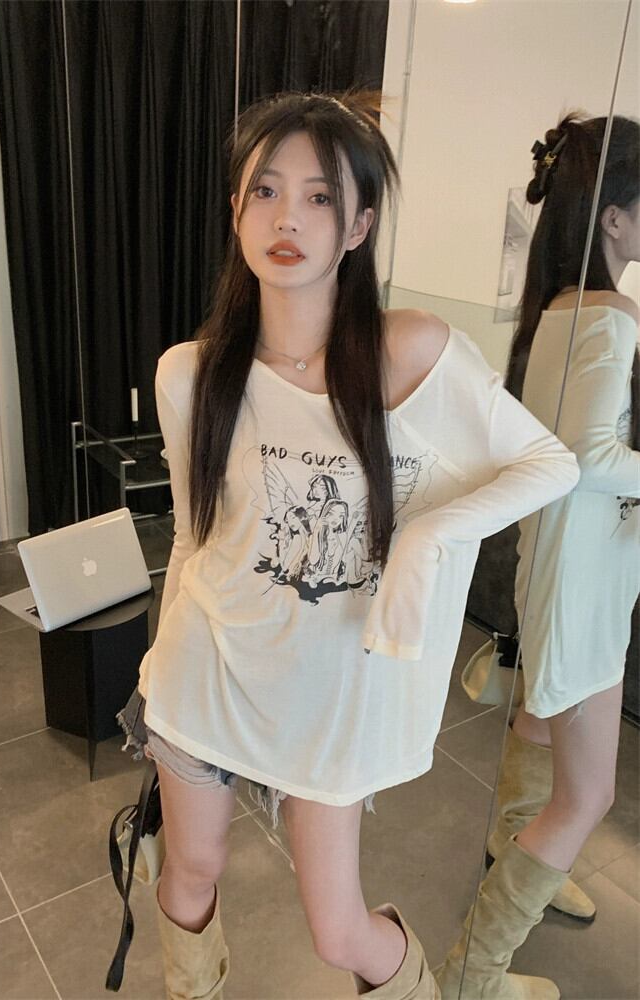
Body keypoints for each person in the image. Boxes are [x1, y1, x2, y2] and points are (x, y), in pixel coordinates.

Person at [117, 90, 579, 1000]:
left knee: (336, 928)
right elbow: (194, 540)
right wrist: (158, 664)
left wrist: (429, 537)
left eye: (320, 196)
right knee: (190, 871)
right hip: (205, 670)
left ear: (361, 224)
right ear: (237, 210)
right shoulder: (190, 375)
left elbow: (549, 462)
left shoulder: (411, 354)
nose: (287, 218)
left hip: (327, 695)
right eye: (265, 191)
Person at [438, 114, 639, 1000]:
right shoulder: (613, 314)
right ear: (614, 218)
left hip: (557, 558)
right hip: (583, 576)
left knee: (538, 719)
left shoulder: (556, 307)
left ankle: (513, 845)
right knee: (588, 796)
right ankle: (473, 974)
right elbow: (593, 457)